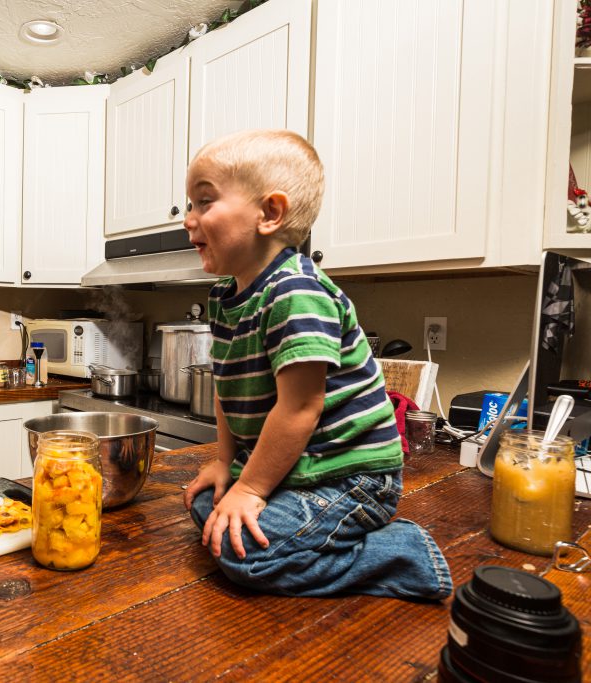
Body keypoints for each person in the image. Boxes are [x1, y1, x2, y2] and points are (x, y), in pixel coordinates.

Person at [180, 129, 452, 600]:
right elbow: (228, 389)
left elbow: (300, 409)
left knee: (244, 556)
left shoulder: (296, 291)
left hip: (349, 478)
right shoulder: (225, 299)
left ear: (270, 213)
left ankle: (403, 553)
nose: (188, 219)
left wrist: (250, 490)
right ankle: (292, 526)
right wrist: (227, 464)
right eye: (189, 204)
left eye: (204, 202)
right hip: (296, 472)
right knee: (209, 503)